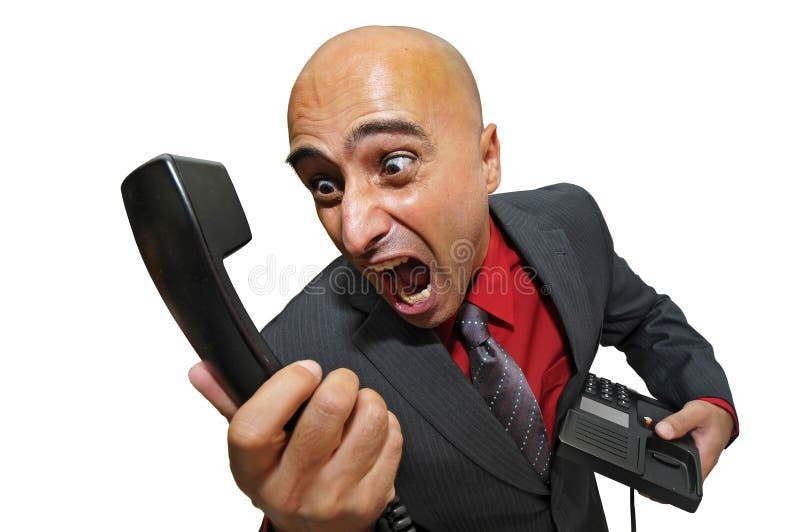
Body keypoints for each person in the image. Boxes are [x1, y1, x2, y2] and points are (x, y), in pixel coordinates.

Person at [188, 26, 737, 531]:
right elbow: (312, 495)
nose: (354, 232)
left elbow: (643, 317)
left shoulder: (571, 222)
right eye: (325, 185)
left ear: (487, 159)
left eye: (395, 165)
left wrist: (707, 396)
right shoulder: (294, 354)